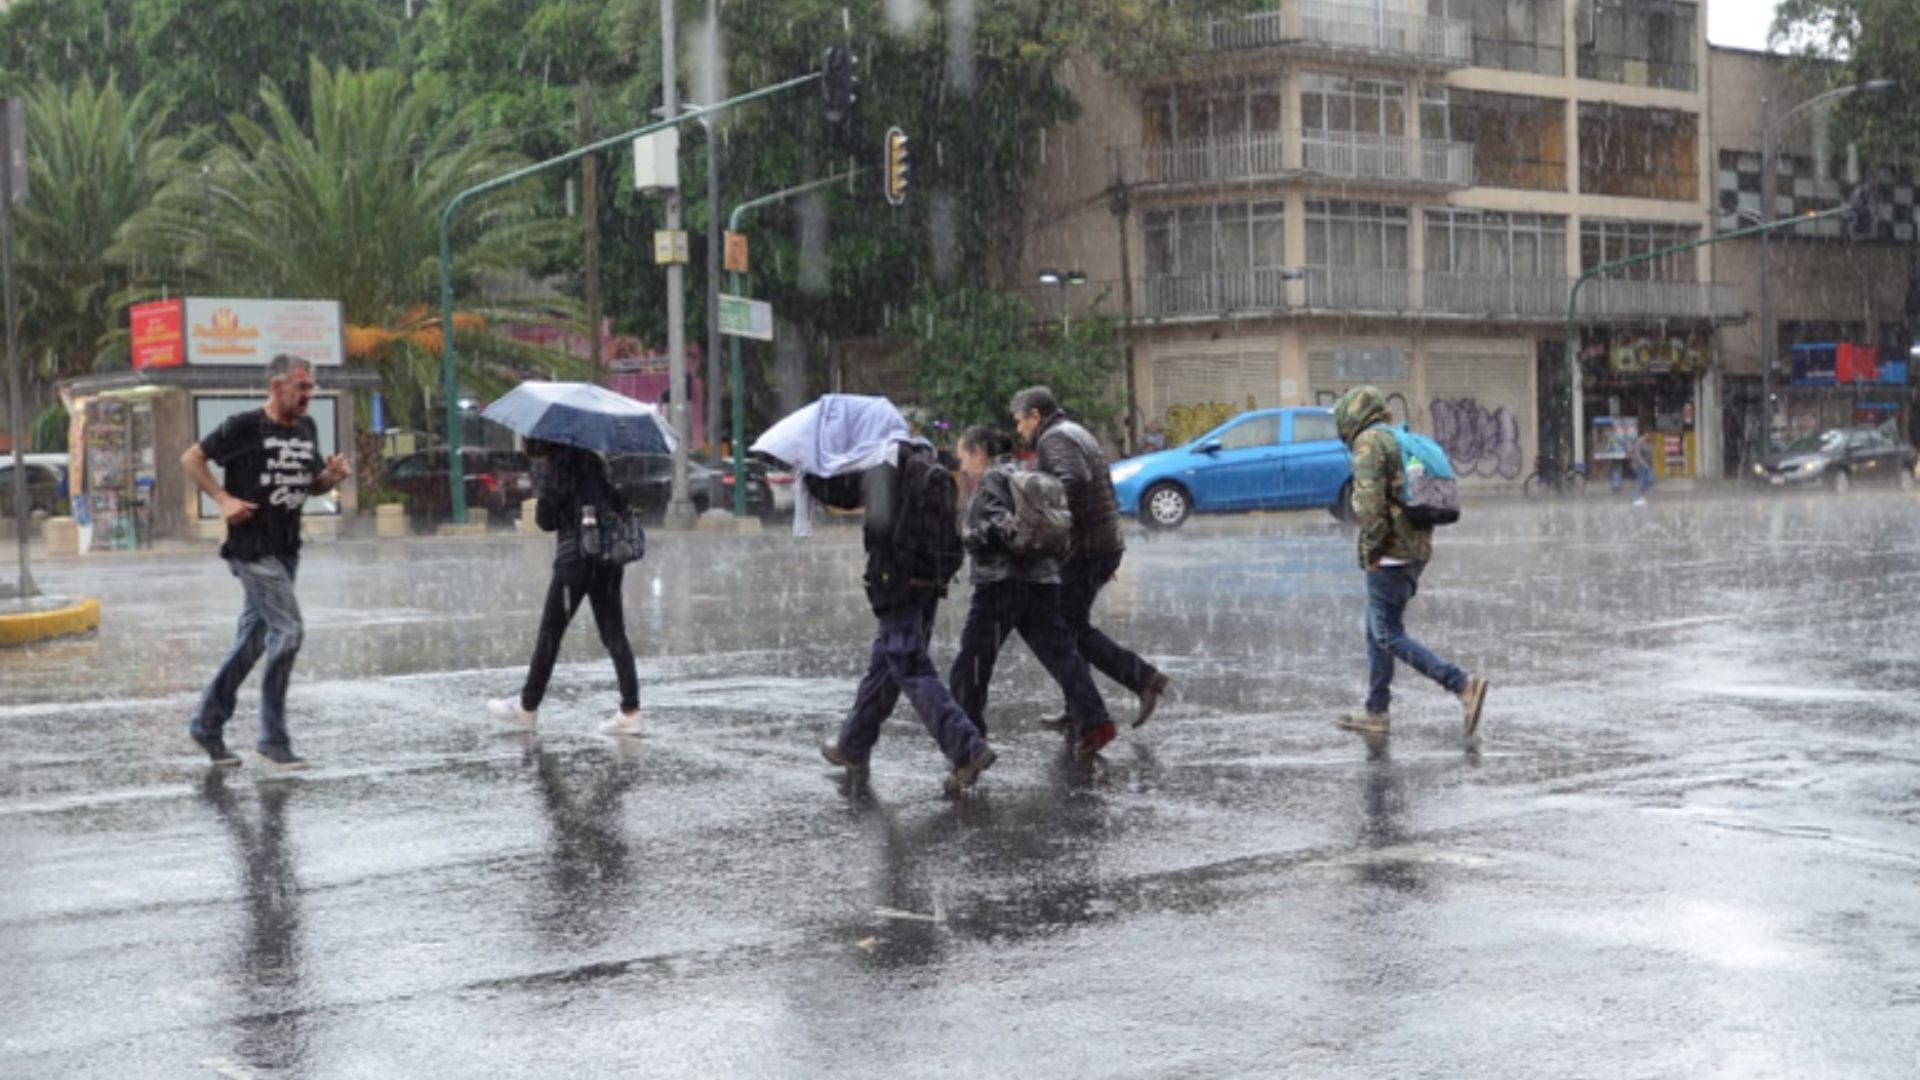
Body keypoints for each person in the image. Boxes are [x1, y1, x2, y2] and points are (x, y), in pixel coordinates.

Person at [182, 354, 350, 770]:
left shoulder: (307, 428)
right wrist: (222, 499)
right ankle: (272, 740)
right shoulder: (245, 426)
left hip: (286, 549)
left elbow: (311, 486)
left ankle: (207, 724)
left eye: (312, 387)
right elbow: (192, 459)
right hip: (251, 548)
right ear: (277, 387)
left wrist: (331, 478)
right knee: (288, 632)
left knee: (254, 641)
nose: (309, 394)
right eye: (302, 387)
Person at [817, 439, 997, 796]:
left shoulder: (883, 463)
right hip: (928, 578)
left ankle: (967, 748)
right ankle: (853, 745)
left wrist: (809, 472)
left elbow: (841, 496)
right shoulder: (927, 461)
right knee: (886, 664)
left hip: (896, 579)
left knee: (909, 665)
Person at [1010, 386, 1169, 754]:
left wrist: (1050, 528)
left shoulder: (1054, 439)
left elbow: (1073, 485)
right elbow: (1099, 488)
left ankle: (1141, 679)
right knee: (1069, 627)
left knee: (1063, 630)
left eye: (1020, 421)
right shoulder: (1074, 431)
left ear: (1035, 416)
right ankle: (1082, 707)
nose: (1019, 430)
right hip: (1097, 547)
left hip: (1085, 551)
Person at [1331, 385, 1488, 739]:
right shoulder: (1396, 437)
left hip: (1389, 554)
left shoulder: (1369, 443)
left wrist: (1370, 553)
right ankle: (1376, 710)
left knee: (1387, 633)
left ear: (1351, 415)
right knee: (1376, 629)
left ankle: (1462, 685)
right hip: (1414, 548)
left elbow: (1370, 508)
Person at [946, 426, 1114, 754]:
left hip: (1001, 584)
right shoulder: (1028, 471)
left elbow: (1001, 527)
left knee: (973, 661)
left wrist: (971, 535)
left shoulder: (993, 478)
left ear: (980, 451)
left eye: (963, 456)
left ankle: (967, 735)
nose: (962, 465)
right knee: (1061, 654)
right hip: (1041, 579)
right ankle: (1096, 721)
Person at [489, 439, 642, 735]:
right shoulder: (597, 464)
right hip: (608, 559)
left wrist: (548, 497)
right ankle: (630, 711)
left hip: (575, 559)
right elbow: (618, 504)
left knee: (550, 634)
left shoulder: (556, 466)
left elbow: (545, 521)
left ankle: (527, 707)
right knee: (614, 635)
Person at [1631, 427, 1655, 507]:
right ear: (1646, 434)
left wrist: (1651, 464)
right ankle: (1636, 498)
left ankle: (1640, 494)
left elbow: (1651, 453)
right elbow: (1637, 455)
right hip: (1638, 465)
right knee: (1641, 480)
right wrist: (1644, 464)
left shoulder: (1650, 442)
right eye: (1650, 435)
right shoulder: (1640, 442)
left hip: (1648, 465)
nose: (1651, 436)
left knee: (1650, 480)